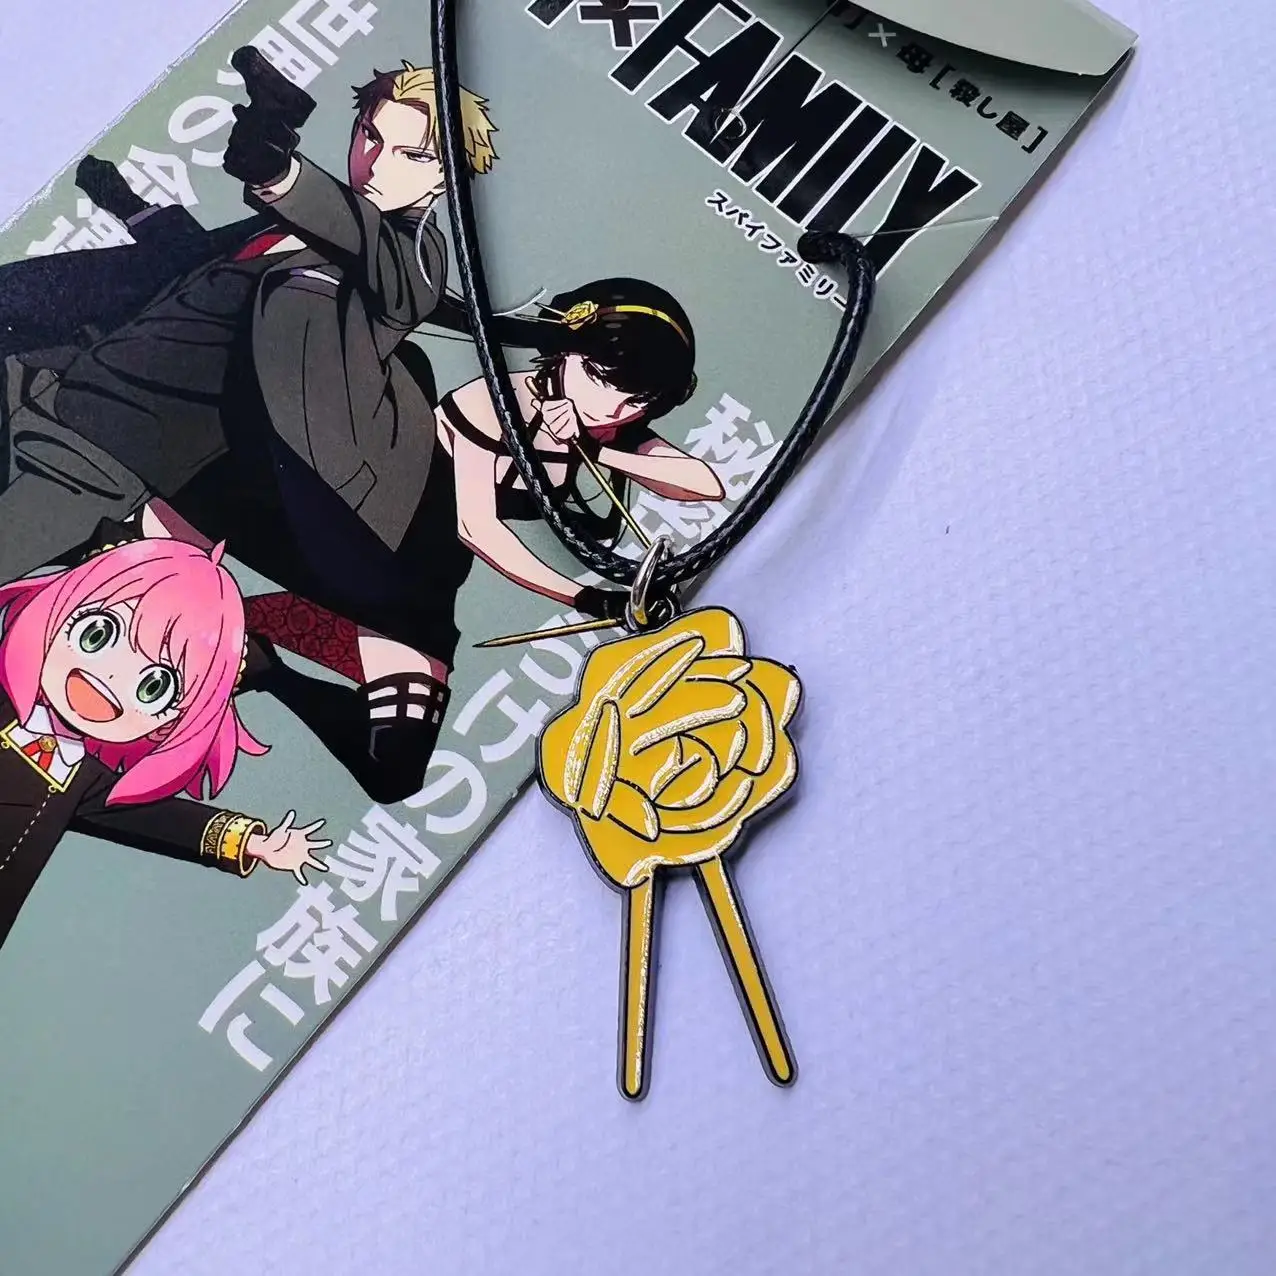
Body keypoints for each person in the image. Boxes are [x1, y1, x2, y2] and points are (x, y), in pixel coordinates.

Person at [0, 54, 499, 802]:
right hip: (54, 386)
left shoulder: (409, 261)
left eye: (413, 154)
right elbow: (190, 264)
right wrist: (127, 200)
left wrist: (280, 171)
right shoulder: (285, 231)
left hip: (108, 452)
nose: (376, 163)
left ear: (447, 180)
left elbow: (382, 260)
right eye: (370, 136)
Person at [0, 540, 331, 952]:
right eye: (97, 634)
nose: (110, 677)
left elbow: (158, 818)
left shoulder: (83, 778)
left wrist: (253, 843)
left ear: (169, 724)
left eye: (154, 686)